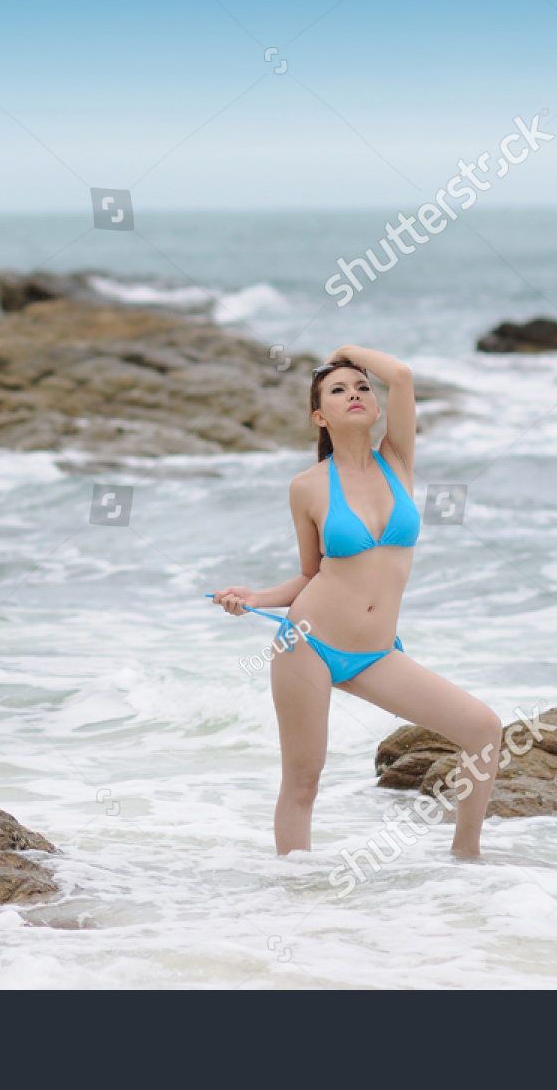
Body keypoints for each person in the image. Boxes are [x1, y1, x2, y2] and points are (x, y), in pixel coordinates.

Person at [211, 346, 502, 857]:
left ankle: (466, 859)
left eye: (363, 387)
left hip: (377, 653)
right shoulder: (307, 487)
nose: (355, 394)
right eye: (339, 389)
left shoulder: (398, 462)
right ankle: (294, 889)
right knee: (303, 782)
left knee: (483, 730)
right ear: (319, 416)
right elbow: (311, 574)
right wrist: (255, 597)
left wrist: (348, 353)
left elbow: (404, 376)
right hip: (309, 645)